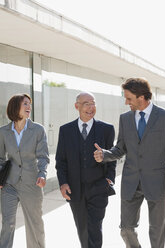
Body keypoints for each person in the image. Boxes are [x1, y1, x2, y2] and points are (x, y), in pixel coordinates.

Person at [94, 78, 165, 248]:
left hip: (156, 181)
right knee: (126, 228)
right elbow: (120, 149)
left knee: (156, 229)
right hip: (131, 182)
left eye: (129, 98)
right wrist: (105, 154)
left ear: (141, 97)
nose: (126, 102)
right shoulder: (125, 119)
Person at [56, 92, 116, 248]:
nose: (91, 107)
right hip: (74, 190)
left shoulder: (107, 129)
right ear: (77, 106)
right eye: (86, 104)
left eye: (93, 103)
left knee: (95, 229)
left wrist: (109, 179)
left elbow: (112, 159)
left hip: (99, 188)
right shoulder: (65, 130)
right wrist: (63, 183)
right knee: (82, 229)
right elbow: (61, 161)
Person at [0, 93, 49, 248]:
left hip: (32, 183)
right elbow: (0, 157)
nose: (28, 107)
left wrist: (42, 174)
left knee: (34, 224)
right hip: (9, 184)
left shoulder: (38, 130)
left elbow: (43, 157)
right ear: (15, 107)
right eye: (25, 104)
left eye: (29, 104)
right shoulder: (4, 131)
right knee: (8, 224)